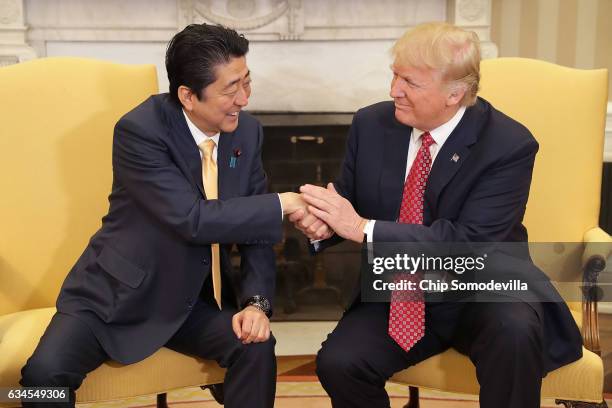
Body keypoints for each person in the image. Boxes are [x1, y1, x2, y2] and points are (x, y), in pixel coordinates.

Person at [290, 22, 583, 408]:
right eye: (395, 75)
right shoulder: (371, 124)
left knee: (514, 333)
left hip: (483, 287)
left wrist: (360, 227)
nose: (394, 90)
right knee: (339, 363)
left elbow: (466, 243)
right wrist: (323, 223)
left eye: (410, 82)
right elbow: (351, 198)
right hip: (400, 289)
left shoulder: (508, 145)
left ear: (455, 94)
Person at [20, 23, 306, 408]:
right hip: (118, 296)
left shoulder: (247, 133)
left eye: (246, 81)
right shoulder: (140, 131)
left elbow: (255, 230)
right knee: (41, 378)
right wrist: (281, 203)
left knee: (256, 347)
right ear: (188, 95)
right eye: (230, 88)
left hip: (192, 303)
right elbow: (192, 218)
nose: (244, 97)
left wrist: (256, 304)